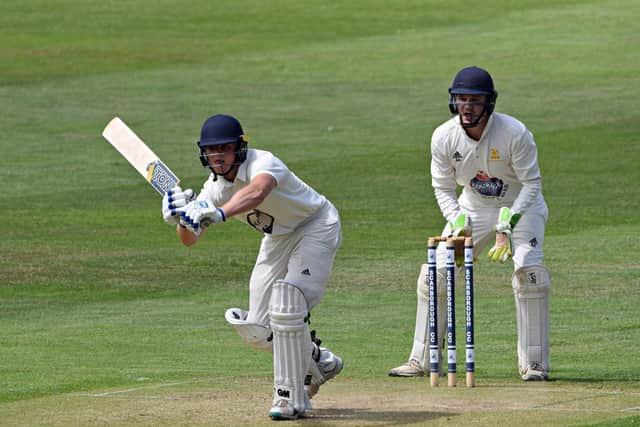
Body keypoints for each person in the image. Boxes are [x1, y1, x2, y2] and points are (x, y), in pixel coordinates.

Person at [161, 114, 344, 420]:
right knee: (257, 329)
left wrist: (217, 212)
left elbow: (258, 191)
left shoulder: (264, 162)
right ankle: (317, 361)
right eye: (212, 150)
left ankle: (289, 398)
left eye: (225, 148)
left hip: (315, 225)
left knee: (287, 303)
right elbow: (189, 241)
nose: (218, 156)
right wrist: (182, 219)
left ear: (240, 148)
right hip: (278, 238)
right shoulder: (214, 189)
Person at [389, 66, 550, 381]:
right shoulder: (443, 136)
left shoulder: (514, 133)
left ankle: (534, 363)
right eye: (461, 99)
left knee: (528, 271)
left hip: (520, 206)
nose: (467, 106)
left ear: (489, 103)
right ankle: (421, 359)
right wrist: (457, 220)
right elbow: (443, 188)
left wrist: (508, 222)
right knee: (437, 267)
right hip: (473, 207)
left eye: (474, 100)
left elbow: (532, 185)